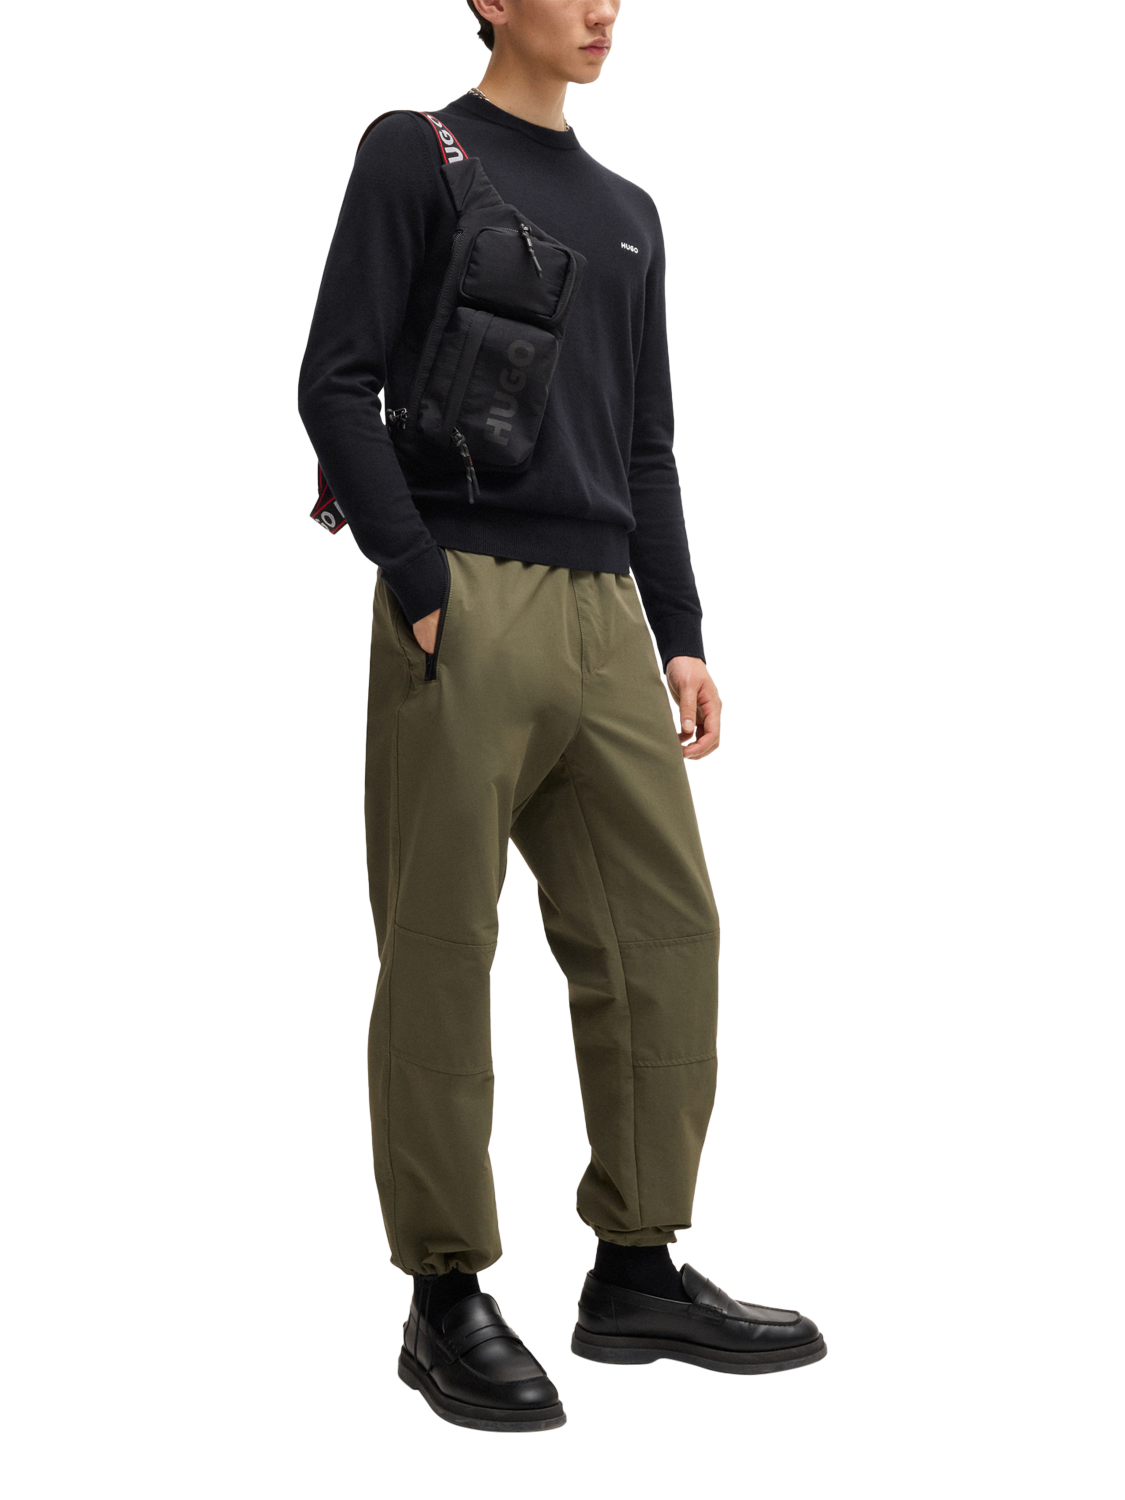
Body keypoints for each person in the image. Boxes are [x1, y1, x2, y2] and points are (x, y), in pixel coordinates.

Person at [297, 0, 825, 1432]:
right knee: (441, 944)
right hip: (464, 596)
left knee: (667, 933)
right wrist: (418, 577)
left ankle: (636, 1266)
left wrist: (682, 633)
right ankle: (445, 1291)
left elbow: (646, 443)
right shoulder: (415, 151)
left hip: (607, 618)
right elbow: (334, 381)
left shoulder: (630, 211)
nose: (602, 9)